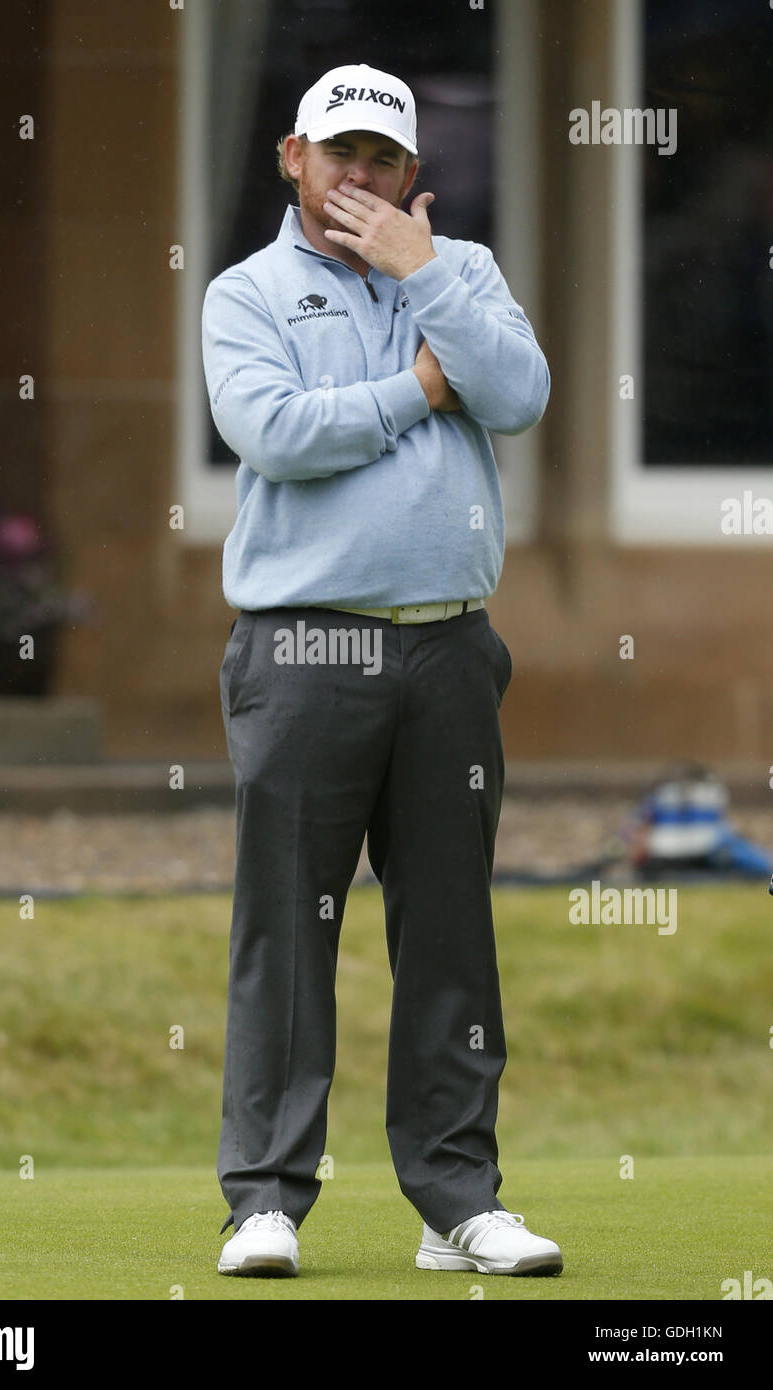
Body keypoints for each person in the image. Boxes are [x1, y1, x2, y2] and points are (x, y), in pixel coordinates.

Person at [201, 62, 562, 1279]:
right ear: (292, 156)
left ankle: (455, 1201)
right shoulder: (244, 293)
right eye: (339, 153)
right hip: (306, 645)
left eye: (384, 160)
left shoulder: (458, 277)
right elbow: (281, 437)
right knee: (286, 928)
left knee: (450, 930)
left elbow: (517, 395)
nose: (360, 176)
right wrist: (416, 384)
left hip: (451, 645)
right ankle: (264, 1198)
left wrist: (427, 281)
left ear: (415, 177)